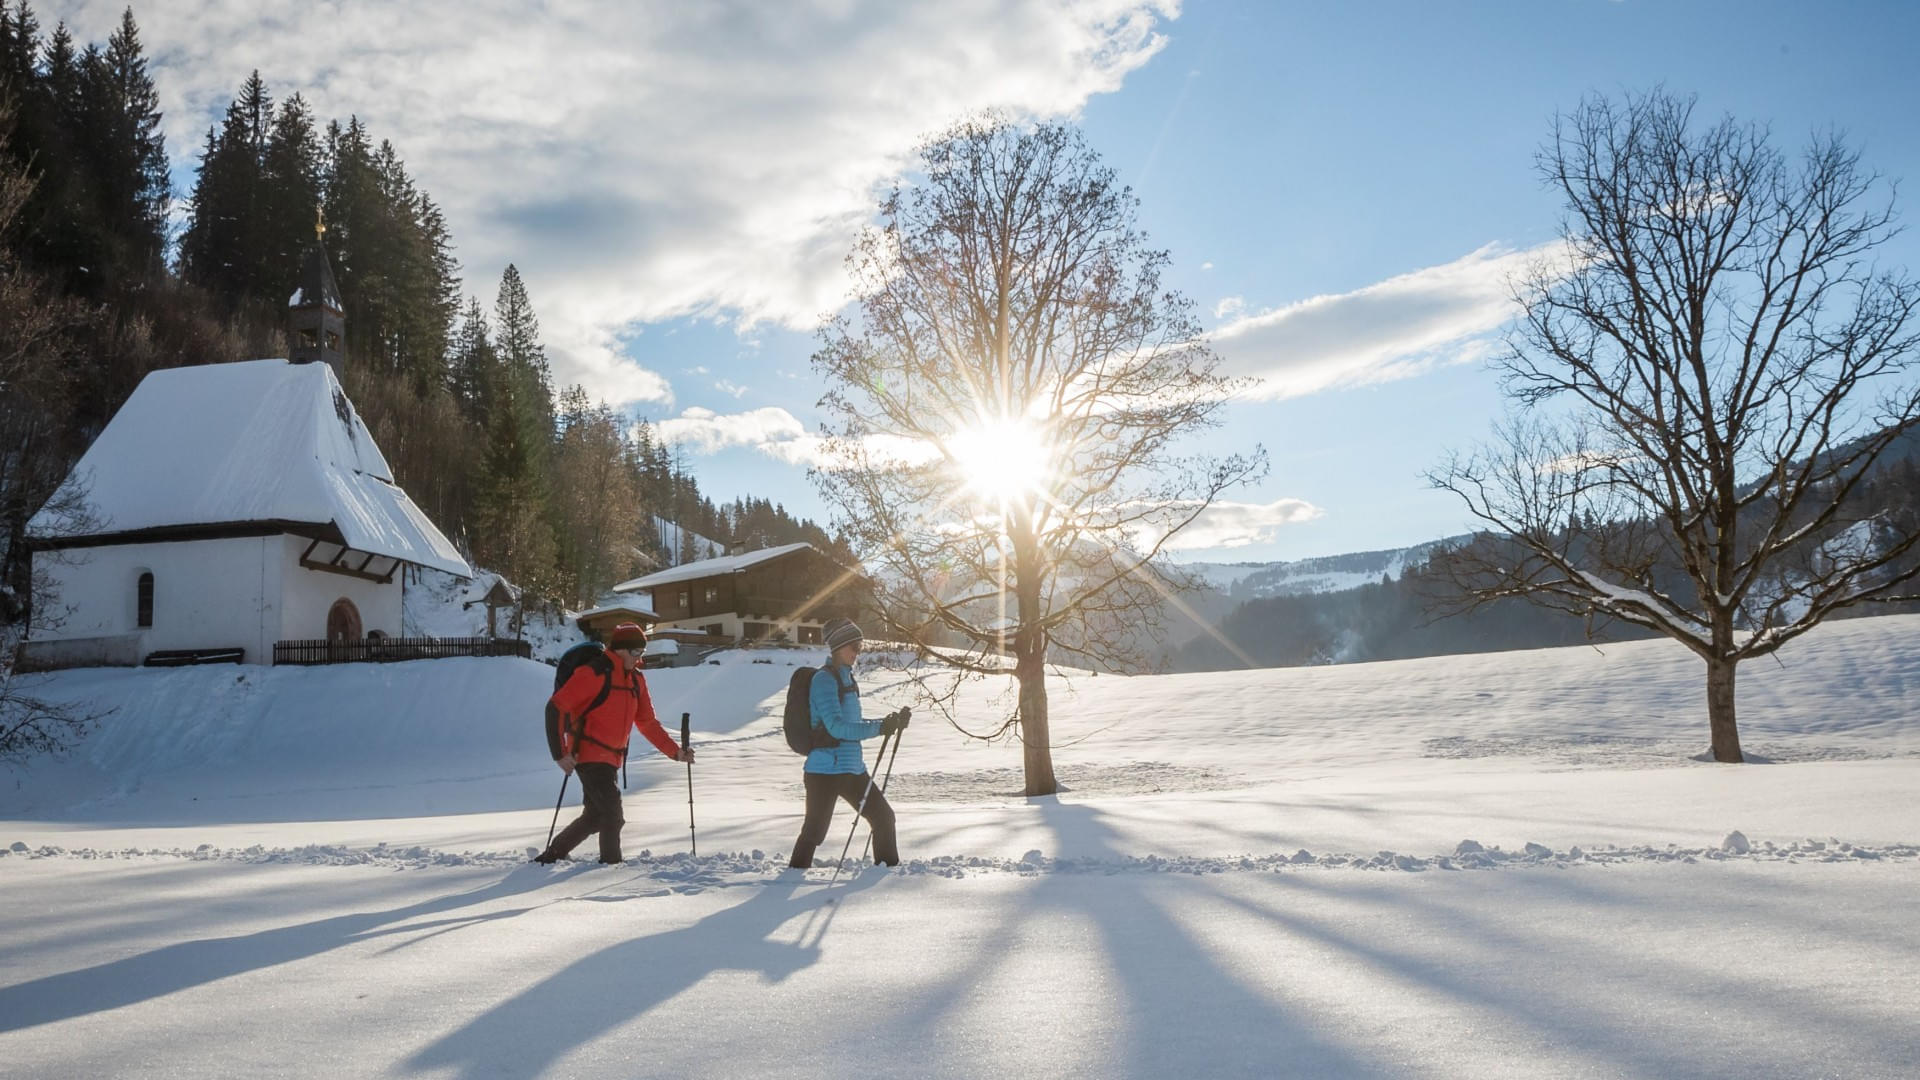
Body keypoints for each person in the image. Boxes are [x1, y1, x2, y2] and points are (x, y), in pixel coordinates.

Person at [535, 623, 691, 865]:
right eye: (635, 652)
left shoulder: (636, 681)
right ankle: (611, 866)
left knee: (595, 816)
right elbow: (555, 707)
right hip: (587, 755)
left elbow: (648, 723)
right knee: (612, 815)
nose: (638, 658)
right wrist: (560, 753)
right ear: (619, 650)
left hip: (611, 759)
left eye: (642, 653)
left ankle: (552, 856)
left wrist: (676, 753)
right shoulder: (593, 673)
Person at [788, 617, 909, 868]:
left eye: (860, 646)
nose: (857, 652)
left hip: (852, 768)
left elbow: (852, 722)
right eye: (853, 646)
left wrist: (890, 723)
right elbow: (836, 727)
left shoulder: (847, 680)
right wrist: (878, 728)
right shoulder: (824, 680)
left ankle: (885, 875)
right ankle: (792, 879)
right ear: (837, 647)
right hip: (824, 771)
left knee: (883, 818)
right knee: (814, 832)